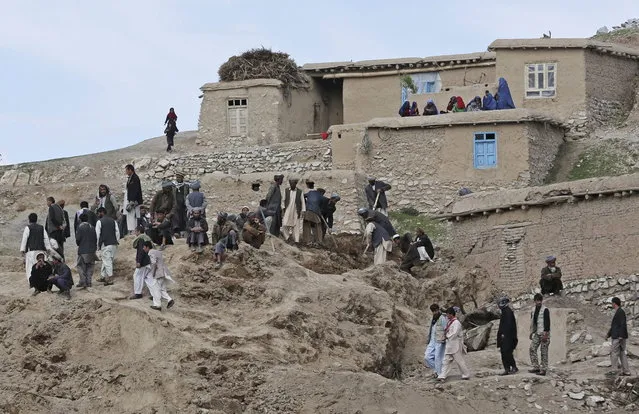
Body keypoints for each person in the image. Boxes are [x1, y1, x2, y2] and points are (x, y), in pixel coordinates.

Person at [437, 307, 470, 382]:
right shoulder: (449, 322)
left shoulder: (456, 323)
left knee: (459, 361)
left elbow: (454, 333)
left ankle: (466, 374)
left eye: (448, 314)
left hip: (455, 344)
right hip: (449, 345)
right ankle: (442, 375)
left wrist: (447, 336)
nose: (447, 316)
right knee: (446, 361)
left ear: (451, 314)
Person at [143, 241, 175, 311]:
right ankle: (170, 300)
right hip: (164, 272)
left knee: (156, 289)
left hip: (158, 273)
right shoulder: (157, 251)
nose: (143, 249)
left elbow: (154, 264)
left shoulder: (150, 253)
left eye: (144, 247)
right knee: (162, 289)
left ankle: (157, 305)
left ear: (147, 247)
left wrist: (153, 274)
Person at [20, 213, 53, 281]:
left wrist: (22, 250)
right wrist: (48, 248)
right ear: (36, 219)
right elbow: (46, 239)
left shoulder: (28, 228)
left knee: (30, 268)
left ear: (29, 220)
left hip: (31, 252)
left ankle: (31, 282)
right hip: (41, 251)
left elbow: (24, 239)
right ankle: (42, 281)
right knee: (41, 266)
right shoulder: (41, 227)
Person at [606, 297, 631, 376]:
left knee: (614, 353)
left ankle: (614, 371)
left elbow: (622, 324)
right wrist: (608, 334)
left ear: (614, 303)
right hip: (620, 336)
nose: (611, 304)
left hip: (618, 337)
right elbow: (615, 326)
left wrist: (620, 335)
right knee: (622, 353)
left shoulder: (620, 312)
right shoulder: (619, 312)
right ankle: (626, 371)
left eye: (612, 303)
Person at [96, 206, 119, 286]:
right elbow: (117, 232)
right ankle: (103, 276)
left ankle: (110, 278)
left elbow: (97, 235)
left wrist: (97, 246)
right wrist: (116, 241)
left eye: (98, 213)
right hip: (113, 244)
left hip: (105, 244)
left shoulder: (99, 222)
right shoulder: (113, 221)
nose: (98, 215)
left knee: (107, 261)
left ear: (101, 212)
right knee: (107, 260)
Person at [529, 293, 551, 376]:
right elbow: (533, 322)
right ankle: (536, 367)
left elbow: (547, 323)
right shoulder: (533, 310)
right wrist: (531, 332)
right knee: (532, 348)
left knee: (544, 352)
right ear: (534, 301)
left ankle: (544, 369)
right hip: (537, 333)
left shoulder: (545, 310)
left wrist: (545, 334)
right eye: (537, 300)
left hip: (544, 333)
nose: (539, 302)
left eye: (540, 300)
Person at [424, 304, 447, 378]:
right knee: (427, 357)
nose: (434, 312)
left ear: (438, 309)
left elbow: (446, 329)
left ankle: (440, 374)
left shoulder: (443, 318)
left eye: (435, 310)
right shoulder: (433, 318)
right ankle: (438, 370)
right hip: (432, 340)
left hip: (440, 341)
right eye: (433, 311)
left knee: (438, 358)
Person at [497, 297, 519, 375]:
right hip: (505, 337)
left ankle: (513, 367)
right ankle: (507, 368)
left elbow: (508, 325)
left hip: (508, 337)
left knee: (507, 352)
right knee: (504, 352)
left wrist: (504, 334)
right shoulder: (504, 311)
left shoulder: (508, 312)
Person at [75, 213, 97, 289]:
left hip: (83, 250)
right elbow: (95, 238)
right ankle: (89, 282)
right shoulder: (92, 227)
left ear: (80, 220)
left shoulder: (80, 227)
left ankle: (83, 281)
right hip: (92, 250)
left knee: (80, 266)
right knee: (90, 266)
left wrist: (79, 244)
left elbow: (78, 239)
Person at [130, 225, 152, 300]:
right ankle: (154, 293)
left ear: (139, 231)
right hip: (149, 261)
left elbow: (141, 251)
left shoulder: (141, 239)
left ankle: (138, 293)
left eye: (135, 231)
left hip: (143, 262)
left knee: (137, 276)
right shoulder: (146, 238)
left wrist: (138, 261)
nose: (135, 233)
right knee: (148, 278)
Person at [303, 180, 326, 245]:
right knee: (318, 225)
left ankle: (307, 241)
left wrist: (305, 204)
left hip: (307, 211)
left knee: (306, 225)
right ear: (322, 193)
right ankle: (319, 241)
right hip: (315, 211)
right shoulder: (321, 197)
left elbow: (302, 196)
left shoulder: (310, 193)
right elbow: (320, 207)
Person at [282, 178, 305, 243]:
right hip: (287, 210)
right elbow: (283, 200)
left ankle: (296, 240)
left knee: (296, 226)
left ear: (295, 184)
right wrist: (283, 209)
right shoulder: (286, 190)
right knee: (284, 224)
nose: (291, 185)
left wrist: (303, 210)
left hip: (296, 211)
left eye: (293, 184)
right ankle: (287, 238)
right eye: (290, 184)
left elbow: (302, 201)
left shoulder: (300, 192)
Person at [124, 164, 143, 236]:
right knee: (130, 216)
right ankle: (132, 230)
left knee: (133, 215)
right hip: (131, 200)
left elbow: (135, 190)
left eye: (126, 170)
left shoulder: (135, 178)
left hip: (133, 201)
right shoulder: (130, 178)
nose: (126, 172)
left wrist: (132, 201)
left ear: (130, 170)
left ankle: (133, 230)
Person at [172, 172, 189, 237]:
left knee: (183, 218)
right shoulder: (173, 186)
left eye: (179, 177)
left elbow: (187, 195)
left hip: (183, 205)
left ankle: (184, 232)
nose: (178, 179)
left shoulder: (186, 186)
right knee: (176, 218)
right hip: (175, 204)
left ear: (182, 178)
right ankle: (176, 232)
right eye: (177, 177)